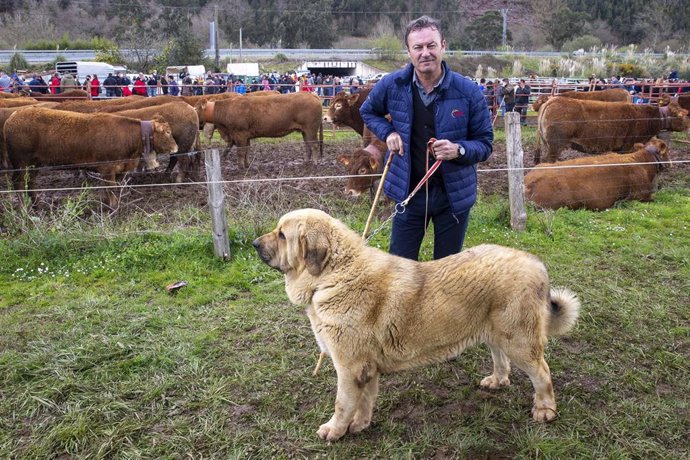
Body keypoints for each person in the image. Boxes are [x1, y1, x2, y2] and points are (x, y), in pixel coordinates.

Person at [360, 15, 493, 261]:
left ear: (443, 45)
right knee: (400, 268)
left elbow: (485, 143)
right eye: (418, 47)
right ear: (409, 51)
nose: (425, 53)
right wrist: (388, 133)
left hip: (452, 196)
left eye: (431, 45)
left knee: (447, 272)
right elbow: (368, 111)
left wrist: (459, 150)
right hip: (408, 193)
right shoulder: (392, 84)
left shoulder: (468, 91)